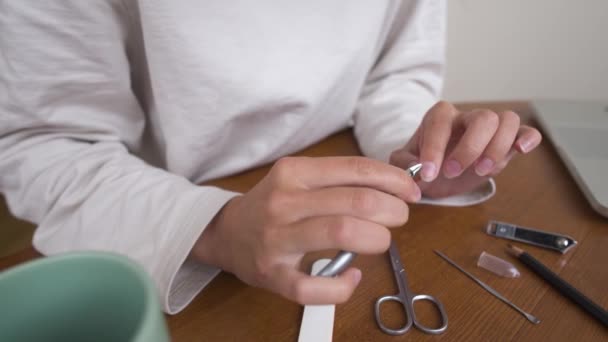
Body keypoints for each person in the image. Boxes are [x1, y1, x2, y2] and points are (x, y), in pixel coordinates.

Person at [0, 1, 541, 314]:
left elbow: (394, 74)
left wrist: (421, 153)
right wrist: (213, 229)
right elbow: (47, 145)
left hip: (341, 169)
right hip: (155, 218)